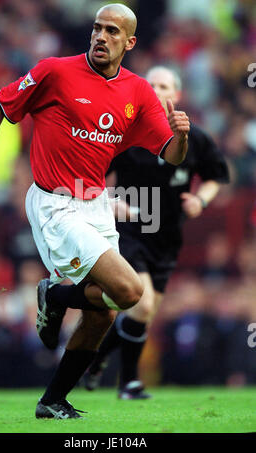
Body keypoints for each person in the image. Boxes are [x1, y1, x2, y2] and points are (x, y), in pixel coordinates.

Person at [0, 5, 190, 419]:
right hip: (54, 204)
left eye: (112, 31)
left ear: (129, 42)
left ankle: (52, 400)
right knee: (132, 292)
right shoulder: (55, 72)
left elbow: (170, 155)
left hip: (95, 204)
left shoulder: (137, 92)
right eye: (97, 28)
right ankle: (57, 294)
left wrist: (181, 136)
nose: (101, 36)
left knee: (102, 311)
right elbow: (0, 102)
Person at [85, 66, 230, 399]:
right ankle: (130, 384)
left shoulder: (195, 138)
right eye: (150, 84)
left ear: (176, 95)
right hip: (130, 232)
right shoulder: (124, 136)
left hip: (168, 239)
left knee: (143, 316)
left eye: (163, 85)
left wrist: (200, 200)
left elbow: (215, 176)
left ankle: (95, 360)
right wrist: (111, 202)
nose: (155, 89)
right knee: (143, 303)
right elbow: (90, 183)